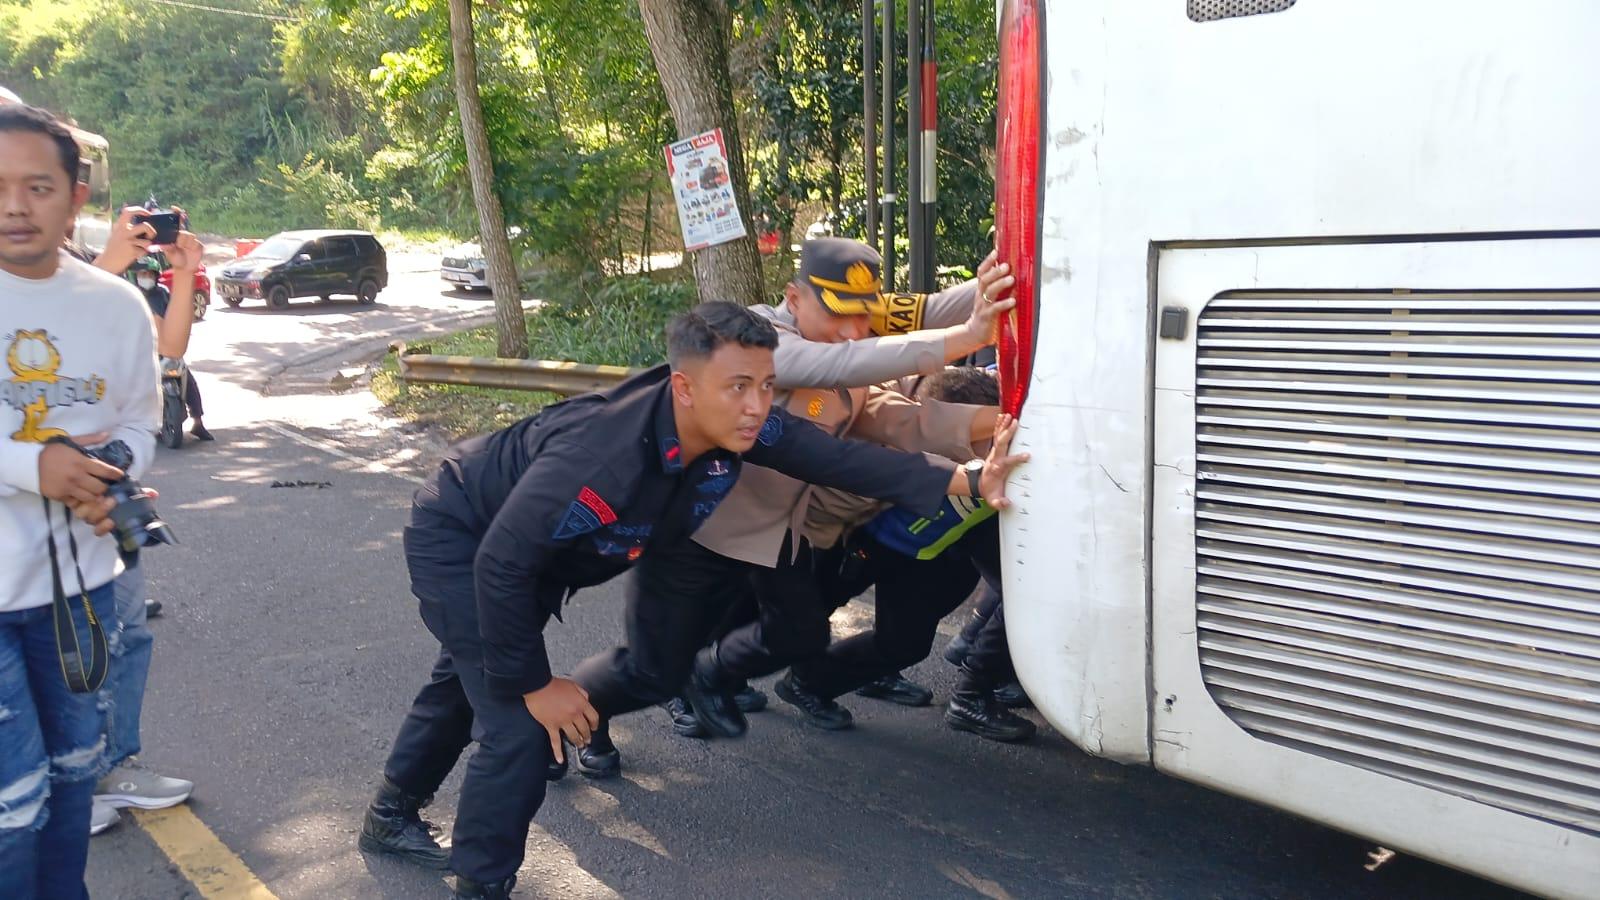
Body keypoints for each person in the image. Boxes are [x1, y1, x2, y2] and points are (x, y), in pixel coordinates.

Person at [358, 301, 1025, 899]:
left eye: (766, 385)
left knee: (463, 682)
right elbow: (502, 564)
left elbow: (839, 460)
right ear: (684, 387)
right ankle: (482, 882)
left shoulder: (733, 424)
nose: (757, 405)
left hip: (530, 553)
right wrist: (535, 683)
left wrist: (967, 481)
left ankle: (390, 815)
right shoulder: (604, 456)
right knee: (517, 724)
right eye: (738, 387)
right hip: (468, 539)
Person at [570, 238, 1019, 772]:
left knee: (798, 632)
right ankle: (572, 722)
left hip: (774, 538)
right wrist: (969, 336)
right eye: (839, 315)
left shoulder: (846, 358)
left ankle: (707, 675)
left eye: (864, 316)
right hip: (697, 533)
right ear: (794, 297)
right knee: (651, 667)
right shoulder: (757, 342)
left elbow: (904, 418)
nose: (854, 330)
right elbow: (839, 364)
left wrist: (1010, 421)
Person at [0, 102, 159, 899]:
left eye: (38, 187)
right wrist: (37, 468)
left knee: (72, 780)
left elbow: (139, 420)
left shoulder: (114, 304)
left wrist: (110, 472)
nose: (14, 206)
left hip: (81, 591)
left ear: (76, 197)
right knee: (10, 804)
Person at [777, 366, 1035, 742]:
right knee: (802, 615)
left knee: (906, 644)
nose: (988, 455)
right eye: (974, 441)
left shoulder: (1005, 444)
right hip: (865, 542)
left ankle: (834, 677)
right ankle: (724, 676)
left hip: (926, 554)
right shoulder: (901, 448)